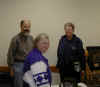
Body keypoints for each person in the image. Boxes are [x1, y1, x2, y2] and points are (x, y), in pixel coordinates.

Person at [7, 20, 34, 87]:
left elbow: (33, 52)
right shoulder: (15, 39)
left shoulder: (31, 38)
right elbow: (10, 54)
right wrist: (11, 68)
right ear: (21, 27)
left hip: (29, 66)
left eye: (28, 27)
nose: (27, 29)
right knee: (19, 85)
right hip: (18, 66)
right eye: (25, 26)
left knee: (29, 84)